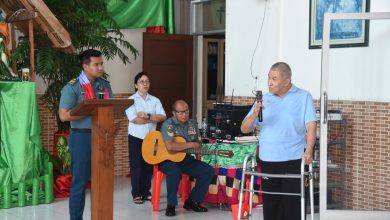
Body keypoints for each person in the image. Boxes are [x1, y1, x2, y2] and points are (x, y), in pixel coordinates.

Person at [241, 62, 316, 220]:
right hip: (268, 160)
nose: (269, 82)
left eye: (274, 78)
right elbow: (244, 128)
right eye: (269, 78)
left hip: (293, 159)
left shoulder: (303, 97)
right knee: (271, 205)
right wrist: (255, 113)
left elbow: (311, 126)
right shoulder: (263, 100)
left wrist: (309, 151)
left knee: (292, 205)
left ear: (287, 81)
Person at [59, 49, 113, 220]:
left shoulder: (104, 85)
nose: (100, 68)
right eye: (96, 65)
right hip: (81, 137)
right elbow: (64, 115)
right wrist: (90, 111)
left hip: (103, 136)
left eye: (101, 64)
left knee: (103, 181)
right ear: (85, 66)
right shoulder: (72, 87)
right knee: (80, 183)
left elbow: (110, 108)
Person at [159, 100, 214, 217]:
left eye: (186, 111)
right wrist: (189, 145)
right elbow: (170, 146)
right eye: (180, 112)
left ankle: (192, 201)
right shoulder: (168, 124)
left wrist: (197, 145)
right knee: (174, 171)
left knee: (207, 170)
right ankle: (171, 205)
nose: (184, 115)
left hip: (185, 159)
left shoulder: (193, 124)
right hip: (166, 160)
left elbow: (198, 144)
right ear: (174, 113)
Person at [125, 72, 166, 204]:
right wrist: (153, 118)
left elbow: (163, 117)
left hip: (152, 138)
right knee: (137, 166)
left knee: (148, 165)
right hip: (136, 137)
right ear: (136, 85)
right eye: (142, 81)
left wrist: (148, 116)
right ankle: (136, 194)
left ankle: (146, 192)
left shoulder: (155, 100)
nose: (145, 84)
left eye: (147, 81)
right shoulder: (130, 100)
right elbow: (134, 120)